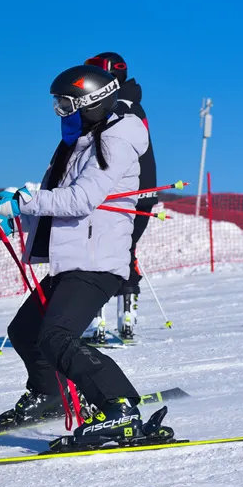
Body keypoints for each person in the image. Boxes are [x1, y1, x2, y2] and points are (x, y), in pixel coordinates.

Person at [0, 63, 171, 447]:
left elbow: (81, 201)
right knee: (26, 332)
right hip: (73, 260)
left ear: (92, 101)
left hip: (97, 262)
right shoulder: (78, 145)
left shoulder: (116, 140)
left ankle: (120, 408)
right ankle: (51, 394)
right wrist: (12, 221)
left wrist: (24, 203)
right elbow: (54, 209)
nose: (61, 114)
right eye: (57, 106)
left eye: (66, 105)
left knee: (58, 336)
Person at [82, 52, 156, 343]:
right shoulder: (134, 104)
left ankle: (95, 322)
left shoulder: (110, 106)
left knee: (99, 252)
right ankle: (127, 319)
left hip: (120, 192)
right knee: (126, 251)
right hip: (144, 191)